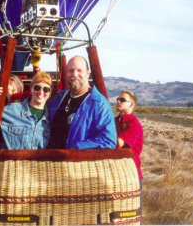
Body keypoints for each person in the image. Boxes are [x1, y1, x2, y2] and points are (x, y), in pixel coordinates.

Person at [47, 56, 116, 149]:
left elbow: (107, 140)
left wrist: (77, 148)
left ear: (88, 73)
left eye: (79, 70)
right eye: (71, 70)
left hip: (76, 162)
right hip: (50, 160)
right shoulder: (58, 98)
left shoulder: (99, 104)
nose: (75, 74)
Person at [0, 71, 52, 149]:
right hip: (9, 161)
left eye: (46, 89)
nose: (41, 92)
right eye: (37, 88)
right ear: (31, 89)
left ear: (50, 93)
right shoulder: (10, 110)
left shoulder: (51, 118)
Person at [115, 90, 144, 219]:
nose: (118, 101)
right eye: (118, 99)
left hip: (131, 175)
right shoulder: (114, 121)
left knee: (131, 215)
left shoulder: (134, 124)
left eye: (122, 100)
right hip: (117, 173)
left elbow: (118, 143)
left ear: (131, 104)